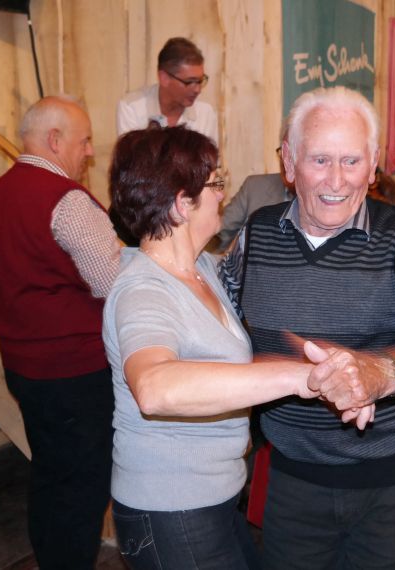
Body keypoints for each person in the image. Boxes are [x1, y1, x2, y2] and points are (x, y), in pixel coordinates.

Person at [220, 86, 395, 570]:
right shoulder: (255, 235)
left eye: (351, 161)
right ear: (288, 162)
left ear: (372, 167)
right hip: (290, 485)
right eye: (319, 160)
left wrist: (381, 373)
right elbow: (214, 318)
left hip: (392, 491)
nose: (336, 180)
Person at [103, 126, 364, 569]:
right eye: (215, 184)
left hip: (213, 497)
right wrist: (300, 378)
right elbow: (154, 387)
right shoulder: (143, 290)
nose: (223, 195)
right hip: (170, 508)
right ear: (182, 203)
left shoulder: (203, 268)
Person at [0, 95, 120, 569]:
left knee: (50, 475)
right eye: (85, 141)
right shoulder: (67, 200)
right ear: (55, 140)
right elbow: (114, 285)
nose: (89, 152)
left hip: (23, 365)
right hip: (73, 372)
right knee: (83, 487)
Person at [116, 37, 218, 143]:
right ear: (164, 78)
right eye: (189, 82)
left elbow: (210, 154)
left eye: (200, 81)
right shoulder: (132, 107)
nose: (198, 90)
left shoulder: (205, 113)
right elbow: (131, 154)